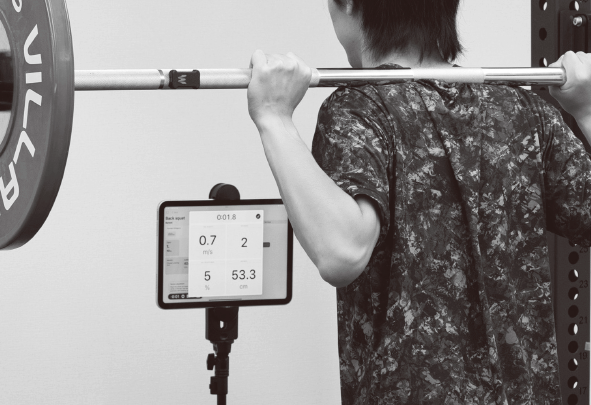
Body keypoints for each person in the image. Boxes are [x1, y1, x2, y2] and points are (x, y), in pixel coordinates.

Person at [246, 0, 591, 403]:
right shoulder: (523, 111)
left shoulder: (361, 109)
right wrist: (587, 110)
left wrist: (274, 117)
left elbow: (341, 252)